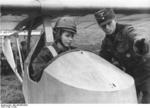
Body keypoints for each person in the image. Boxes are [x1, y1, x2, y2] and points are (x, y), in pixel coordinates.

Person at [94, 8, 150, 103]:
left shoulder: (126, 31)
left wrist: (140, 43)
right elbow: (101, 61)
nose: (107, 28)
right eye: (103, 26)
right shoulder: (106, 43)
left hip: (146, 74)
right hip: (130, 78)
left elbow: (136, 36)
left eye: (109, 23)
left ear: (115, 19)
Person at [31, 16, 77, 82]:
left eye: (72, 36)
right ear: (58, 35)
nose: (70, 39)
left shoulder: (73, 52)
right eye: (67, 36)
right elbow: (37, 75)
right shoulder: (46, 53)